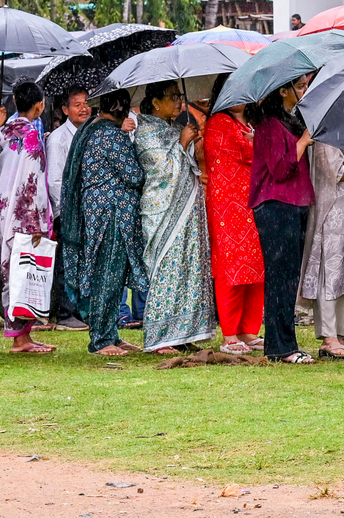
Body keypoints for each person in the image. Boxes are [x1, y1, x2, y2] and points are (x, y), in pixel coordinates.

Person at [59, 90, 146, 356]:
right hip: (111, 218)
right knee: (107, 277)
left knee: (110, 277)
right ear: (119, 107)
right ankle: (101, 339)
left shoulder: (94, 130)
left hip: (100, 216)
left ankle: (111, 334)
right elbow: (134, 176)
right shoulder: (111, 135)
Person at [133, 81, 218, 354]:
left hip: (187, 211)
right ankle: (160, 338)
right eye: (173, 97)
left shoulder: (170, 129)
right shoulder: (146, 131)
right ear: (156, 102)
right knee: (165, 273)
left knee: (187, 271)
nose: (179, 102)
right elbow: (161, 172)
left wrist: (189, 142)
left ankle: (182, 333)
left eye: (180, 96)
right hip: (163, 214)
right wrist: (182, 142)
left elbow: (187, 164)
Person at [248, 83, 316, 364]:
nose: (305, 89)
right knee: (280, 277)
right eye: (299, 86)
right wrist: (302, 143)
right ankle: (280, 346)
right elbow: (279, 170)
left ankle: (285, 343)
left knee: (290, 278)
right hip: (276, 206)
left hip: (295, 204)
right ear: (283, 91)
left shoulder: (291, 122)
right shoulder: (269, 126)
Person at [0, 83, 56, 352]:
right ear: (39, 105)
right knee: (25, 271)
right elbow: (34, 181)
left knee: (12, 269)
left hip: (2, 206)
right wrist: (39, 221)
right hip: (24, 212)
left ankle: (23, 335)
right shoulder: (32, 134)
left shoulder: (4, 130)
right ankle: (20, 338)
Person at [202, 99, 265, 354]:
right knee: (231, 266)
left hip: (249, 201)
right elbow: (245, 152)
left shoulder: (247, 121)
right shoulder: (218, 122)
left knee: (255, 265)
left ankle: (248, 330)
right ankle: (229, 335)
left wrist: (255, 138)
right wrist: (258, 141)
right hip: (227, 203)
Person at [300, 142, 344, 360]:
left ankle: (341, 332)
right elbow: (334, 173)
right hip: (332, 210)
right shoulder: (325, 135)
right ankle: (328, 336)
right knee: (330, 271)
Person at [43, 86, 91, 332]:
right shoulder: (60, 138)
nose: (83, 108)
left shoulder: (88, 133)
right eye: (77, 104)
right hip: (67, 210)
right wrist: (68, 210)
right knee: (66, 262)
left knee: (82, 262)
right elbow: (54, 181)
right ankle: (65, 313)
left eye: (86, 103)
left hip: (86, 210)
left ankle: (80, 311)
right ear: (65, 109)